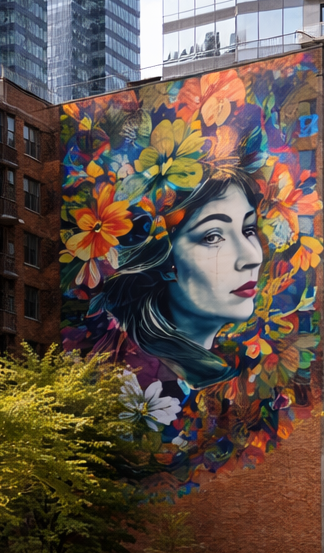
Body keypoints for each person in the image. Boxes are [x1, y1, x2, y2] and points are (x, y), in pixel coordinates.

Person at [92, 165, 265, 388]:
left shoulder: (229, 365)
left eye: (248, 229)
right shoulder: (145, 375)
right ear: (162, 258)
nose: (252, 257)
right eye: (212, 237)